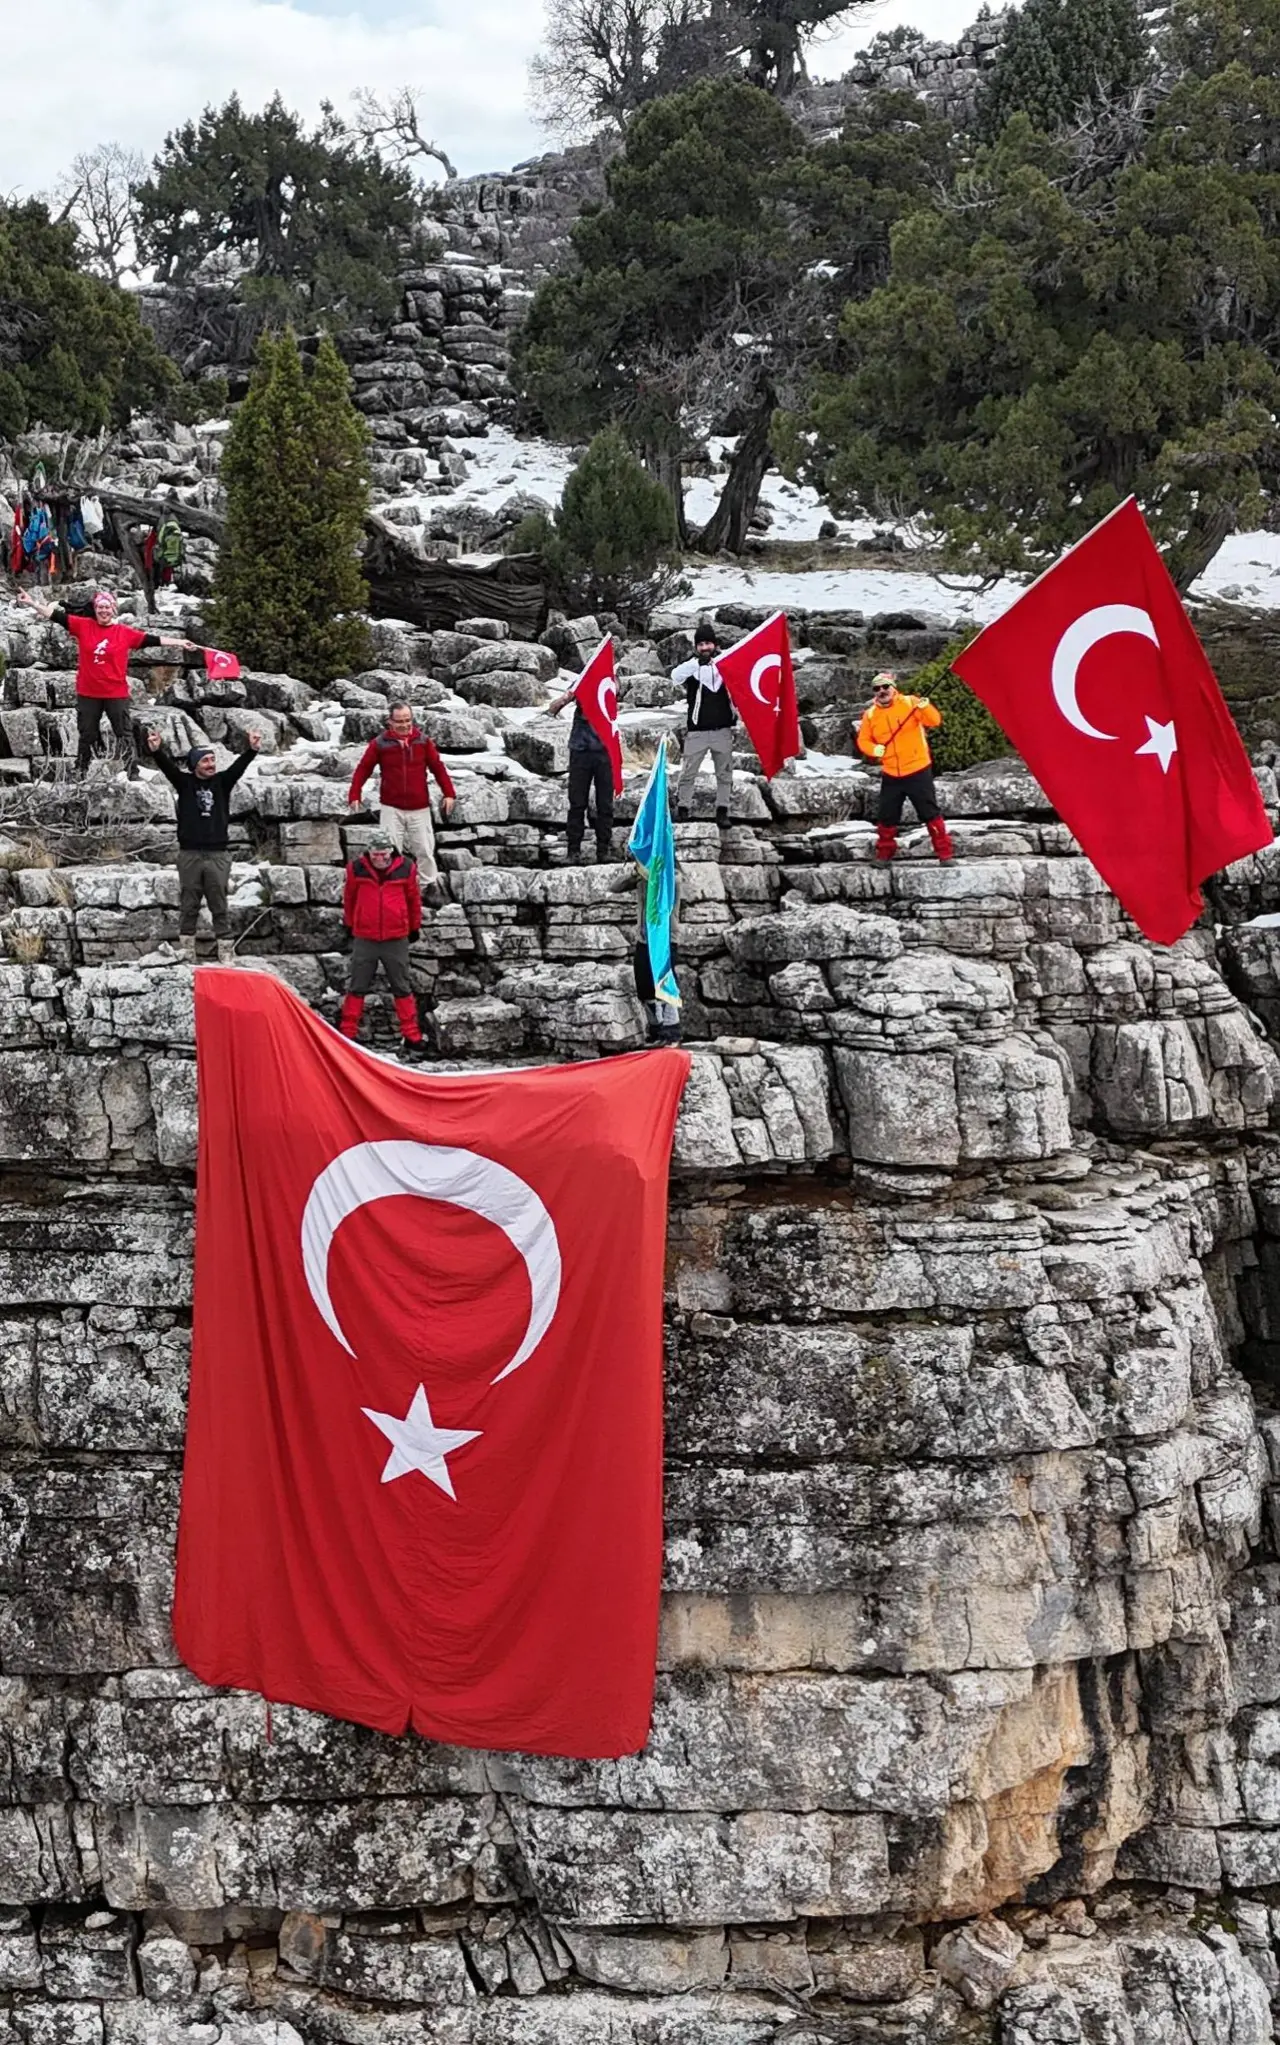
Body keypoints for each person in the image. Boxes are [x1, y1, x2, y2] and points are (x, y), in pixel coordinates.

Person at [19, 588, 193, 776]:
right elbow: (55, 615)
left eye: (107, 607)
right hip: (88, 693)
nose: (103, 611)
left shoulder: (124, 633)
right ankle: (81, 769)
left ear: (113, 610)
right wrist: (31, 603)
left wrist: (179, 642)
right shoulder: (84, 626)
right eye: (100, 607)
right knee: (87, 735)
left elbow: (152, 640)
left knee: (123, 733)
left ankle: (131, 770)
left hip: (115, 693)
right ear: (95, 610)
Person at [144, 727, 261, 961]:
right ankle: (188, 949)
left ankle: (225, 950)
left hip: (218, 854)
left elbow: (238, 768)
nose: (211, 764)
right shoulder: (184, 783)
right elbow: (168, 768)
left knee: (219, 903)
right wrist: (157, 751)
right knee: (189, 903)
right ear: (195, 764)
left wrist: (252, 750)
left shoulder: (222, 782)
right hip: (190, 854)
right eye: (205, 760)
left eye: (213, 760)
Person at [347, 701, 456, 907]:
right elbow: (363, 768)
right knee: (389, 849)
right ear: (390, 721)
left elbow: (438, 768)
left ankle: (428, 887)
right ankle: (393, 887)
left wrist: (449, 793)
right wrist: (355, 793)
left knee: (424, 849)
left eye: (408, 720)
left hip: (419, 807)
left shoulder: (423, 742)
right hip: (391, 806)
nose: (404, 725)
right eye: (399, 721)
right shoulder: (380, 744)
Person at [339, 831, 425, 1058]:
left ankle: (412, 1036)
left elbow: (413, 898)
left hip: (396, 938)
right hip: (365, 937)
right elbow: (349, 897)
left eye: (382, 854)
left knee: (402, 986)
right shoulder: (356, 868)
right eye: (374, 854)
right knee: (357, 985)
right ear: (369, 852)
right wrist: (350, 923)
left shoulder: (406, 867)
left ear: (390, 852)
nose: (378, 858)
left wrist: (414, 927)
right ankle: (347, 1033)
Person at [856, 670, 954, 863]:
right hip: (891, 773)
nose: (881, 691)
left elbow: (934, 721)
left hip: (918, 769)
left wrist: (926, 708)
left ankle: (945, 854)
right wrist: (874, 750)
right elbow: (863, 740)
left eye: (885, 687)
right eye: (877, 688)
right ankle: (884, 855)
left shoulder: (911, 703)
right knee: (886, 817)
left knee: (930, 814)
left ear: (894, 688)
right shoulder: (870, 715)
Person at [672, 621, 735, 824]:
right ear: (696, 647)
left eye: (708, 643)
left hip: (722, 730)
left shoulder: (726, 664)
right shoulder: (691, 667)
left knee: (724, 774)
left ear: (715, 644)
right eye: (701, 644)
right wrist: (696, 663)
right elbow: (675, 676)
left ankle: (723, 810)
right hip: (697, 732)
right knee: (688, 773)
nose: (705, 647)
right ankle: (683, 808)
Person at [546, 682, 614, 863]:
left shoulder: (610, 680)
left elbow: (615, 696)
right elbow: (552, 709)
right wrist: (567, 697)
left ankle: (603, 851)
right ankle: (573, 851)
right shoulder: (582, 681)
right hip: (580, 750)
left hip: (604, 751)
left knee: (605, 805)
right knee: (577, 803)